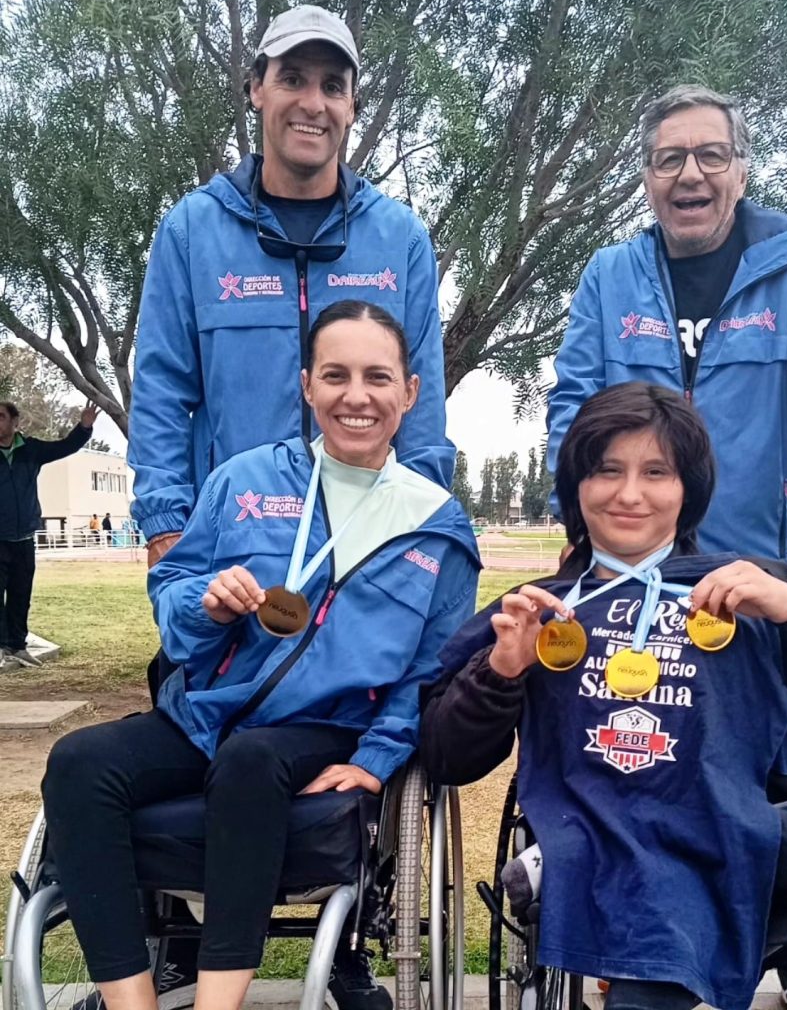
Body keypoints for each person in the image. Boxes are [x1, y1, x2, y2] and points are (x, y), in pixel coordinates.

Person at [420, 383, 787, 1010]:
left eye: (656, 472)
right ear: (577, 486)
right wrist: (502, 670)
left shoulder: (750, 585)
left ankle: (629, 866)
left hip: (731, 818)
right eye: (607, 470)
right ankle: (646, 877)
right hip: (596, 823)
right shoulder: (540, 608)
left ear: (688, 489)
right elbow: (446, 756)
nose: (629, 493)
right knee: (655, 865)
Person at [42, 301, 480, 1010]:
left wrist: (377, 759)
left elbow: (430, 672)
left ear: (409, 392)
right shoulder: (243, 482)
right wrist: (206, 605)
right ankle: (131, 1002)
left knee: (252, 759)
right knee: (78, 762)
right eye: (335, 375)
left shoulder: (438, 527)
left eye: (377, 377)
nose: (356, 396)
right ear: (307, 386)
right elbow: (176, 599)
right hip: (205, 717)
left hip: (323, 728)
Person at [128, 3, 455, 573]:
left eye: (332, 86)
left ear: (352, 106)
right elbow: (160, 392)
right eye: (293, 79)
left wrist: (417, 527)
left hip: (364, 554)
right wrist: (167, 528)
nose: (313, 104)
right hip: (229, 554)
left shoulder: (400, 239)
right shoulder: (191, 231)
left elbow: (420, 406)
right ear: (257, 89)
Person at [546, 85, 787, 593]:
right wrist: (575, 519)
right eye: (669, 159)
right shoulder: (608, 275)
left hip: (752, 568)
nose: (690, 173)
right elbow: (574, 406)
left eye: (712, 155)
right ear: (648, 179)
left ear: (741, 173)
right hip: (629, 567)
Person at [0, 400, 98, 668]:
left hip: (24, 538)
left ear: (15, 422)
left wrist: (84, 428)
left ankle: (17, 646)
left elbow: (64, 447)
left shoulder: (30, 450)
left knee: (20, 595)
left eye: (1, 417)